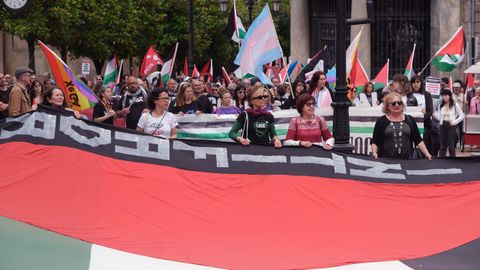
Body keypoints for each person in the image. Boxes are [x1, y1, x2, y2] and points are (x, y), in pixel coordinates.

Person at [371, 93, 432, 160]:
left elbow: (418, 140)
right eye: (393, 103)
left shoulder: (410, 119)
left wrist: (426, 153)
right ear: (387, 106)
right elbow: (375, 141)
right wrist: (374, 153)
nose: (397, 105)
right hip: (386, 160)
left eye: (399, 103)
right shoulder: (381, 121)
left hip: (407, 161)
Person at [434, 89, 464, 157]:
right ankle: (442, 162)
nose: (444, 97)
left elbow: (462, 116)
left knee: (451, 147)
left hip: (451, 126)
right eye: (443, 96)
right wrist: (433, 113)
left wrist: (454, 122)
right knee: (442, 147)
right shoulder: (440, 106)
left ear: (449, 96)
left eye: (445, 95)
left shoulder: (455, 105)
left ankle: (453, 162)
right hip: (442, 126)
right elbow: (439, 118)